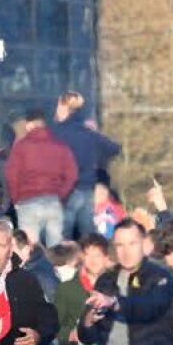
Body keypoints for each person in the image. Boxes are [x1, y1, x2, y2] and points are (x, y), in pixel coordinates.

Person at [52, 92, 122, 240]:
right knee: (87, 238)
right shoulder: (88, 134)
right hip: (88, 191)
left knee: (64, 236)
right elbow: (114, 149)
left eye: (58, 106)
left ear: (64, 107)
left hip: (66, 192)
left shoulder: (56, 134)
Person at [4, 108, 77, 246]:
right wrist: (61, 195)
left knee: (30, 250)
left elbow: (12, 175)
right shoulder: (60, 146)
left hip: (27, 203)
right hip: (53, 201)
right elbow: (72, 174)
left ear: (30, 124)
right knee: (55, 248)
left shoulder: (21, 147)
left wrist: (16, 199)